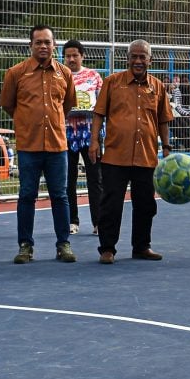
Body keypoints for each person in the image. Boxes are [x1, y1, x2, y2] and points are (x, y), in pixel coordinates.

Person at [89, 40, 172, 263]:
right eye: (134, 56)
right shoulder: (112, 82)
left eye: (142, 57)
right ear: (127, 59)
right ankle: (107, 249)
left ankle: (142, 246)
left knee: (146, 205)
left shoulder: (157, 87)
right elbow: (98, 114)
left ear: (150, 60)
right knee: (111, 205)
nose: (138, 61)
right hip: (115, 156)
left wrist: (166, 146)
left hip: (146, 157)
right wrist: (94, 142)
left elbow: (163, 120)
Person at [0, 25, 77, 264]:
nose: (43, 46)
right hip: (28, 146)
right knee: (26, 196)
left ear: (55, 45)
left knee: (60, 196)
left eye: (47, 42)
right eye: (38, 42)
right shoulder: (16, 73)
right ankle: (25, 246)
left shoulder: (64, 73)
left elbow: (67, 105)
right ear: (30, 45)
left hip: (57, 146)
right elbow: (8, 104)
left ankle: (63, 244)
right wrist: (28, 123)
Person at [63, 39, 104, 236]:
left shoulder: (94, 76)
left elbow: (103, 104)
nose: (71, 59)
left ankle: (98, 221)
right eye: (68, 56)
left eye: (75, 55)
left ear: (82, 56)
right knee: (68, 179)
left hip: (91, 134)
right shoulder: (59, 76)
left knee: (95, 179)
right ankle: (72, 221)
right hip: (66, 134)